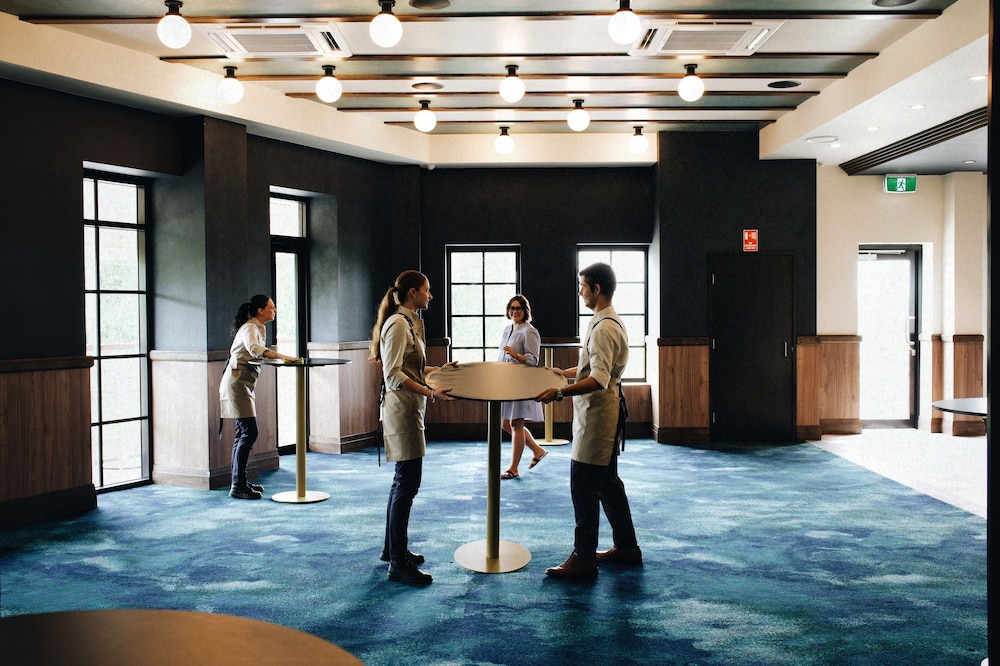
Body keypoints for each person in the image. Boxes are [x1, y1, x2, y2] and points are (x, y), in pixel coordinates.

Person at [535, 262, 641, 578]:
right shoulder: (606, 321)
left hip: (598, 418)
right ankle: (626, 547)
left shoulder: (605, 327)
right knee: (608, 484)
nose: (580, 292)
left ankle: (583, 558)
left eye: (583, 286)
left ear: (597, 288)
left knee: (583, 485)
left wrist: (559, 392)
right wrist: (563, 373)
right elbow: (592, 367)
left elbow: (599, 378)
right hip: (600, 414)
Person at [370, 270, 454, 585]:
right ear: (413, 292)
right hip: (401, 411)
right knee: (406, 483)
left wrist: (439, 370)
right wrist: (431, 392)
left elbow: (412, 368)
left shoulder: (407, 322)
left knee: (403, 483)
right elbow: (393, 375)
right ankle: (398, 563)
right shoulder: (397, 324)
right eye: (427, 290)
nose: (430, 295)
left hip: (409, 409)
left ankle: (393, 549)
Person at [219, 295, 300, 500]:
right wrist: (283, 356)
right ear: (260, 310)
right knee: (249, 432)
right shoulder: (249, 328)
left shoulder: (256, 327)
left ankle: (239, 482)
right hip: (237, 385)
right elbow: (254, 350)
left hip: (242, 385)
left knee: (243, 433)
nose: (275, 310)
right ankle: (238, 485)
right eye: (272, 307)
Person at [497, 294, 548, 479]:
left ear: (525, 310)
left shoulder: (529, 331)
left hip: (521, 381)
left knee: (516, 424)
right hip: (507, 381)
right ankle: (537, 450)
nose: (515, 311)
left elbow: (533, 360)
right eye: (512, 308)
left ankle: (513, 468)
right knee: (505, 424)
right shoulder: (507, 329)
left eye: (518, 308)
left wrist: (516, 355)